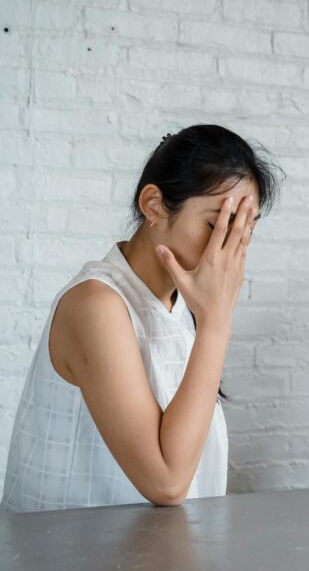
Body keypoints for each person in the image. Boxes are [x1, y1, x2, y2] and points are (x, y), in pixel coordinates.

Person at [1, 124, 280, 512]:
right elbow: (166, 481)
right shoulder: (96, 304)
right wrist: (217, 322)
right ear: (154, 205)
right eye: (216, 226)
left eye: (244, 230)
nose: (229, 248)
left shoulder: (185, 305)